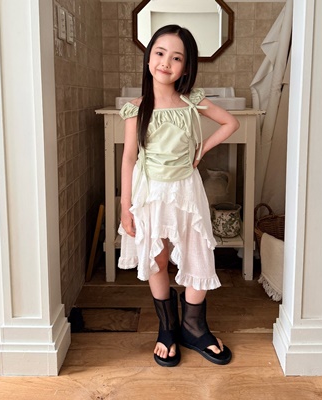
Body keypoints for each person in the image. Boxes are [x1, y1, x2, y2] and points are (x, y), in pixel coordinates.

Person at [118, 24, 240, 367]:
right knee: (157, 258)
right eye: (160, 53)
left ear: (186, 67)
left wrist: (203, 148)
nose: (165, 63)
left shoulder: (191, 102)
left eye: (176, 58)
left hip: (186, 190)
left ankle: (194, 327)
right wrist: (125, 207)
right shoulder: (136, 108)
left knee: (197, 251)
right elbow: (128, 158)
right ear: (148, 58)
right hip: (150, 193)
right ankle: (168, 327)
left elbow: (230, 123)